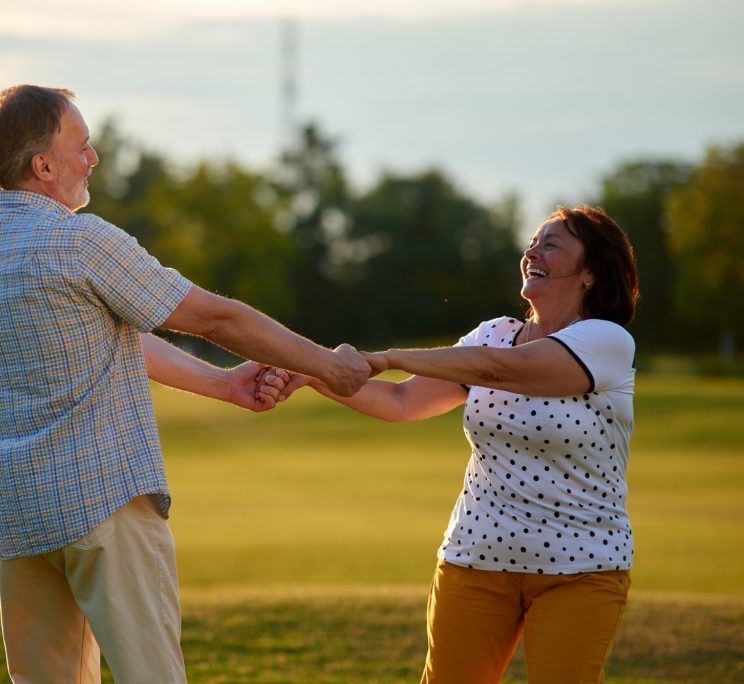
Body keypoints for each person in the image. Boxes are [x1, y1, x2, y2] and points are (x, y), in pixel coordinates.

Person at [0, 84, 368, 684]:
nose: (92, 158)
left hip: (20, 519)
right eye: (82, 146)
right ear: (42, 165)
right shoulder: (78, 239)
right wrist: (327, 364)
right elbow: (214, 317)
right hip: (104, 507)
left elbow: (109, 337)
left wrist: (224, 386)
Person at [271, 205, 639, 683]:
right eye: (533, 241)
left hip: (582, 567)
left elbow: (501, 370)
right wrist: (315, 373)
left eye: (552, 244)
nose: (533, 251)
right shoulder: (493, 334)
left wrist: (383, 357)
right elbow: (403, 400)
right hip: (475, 558)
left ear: (590, 271)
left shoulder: (606, 341)